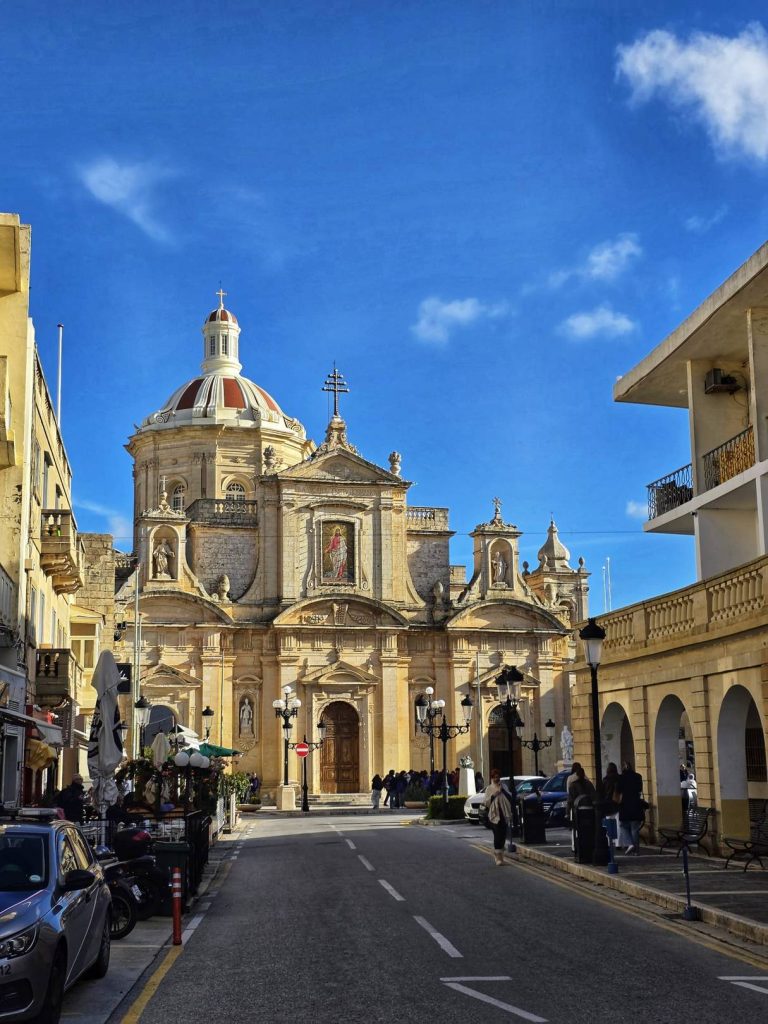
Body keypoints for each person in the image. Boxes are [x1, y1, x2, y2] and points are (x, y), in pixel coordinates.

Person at [484, 768, 515, 866]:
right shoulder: (489, 789)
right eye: (495, 777)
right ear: (492, 778)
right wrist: (494, 795)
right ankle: (497, 858)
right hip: (494, 815)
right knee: (497, 836)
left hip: (504, 814)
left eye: (498, 777)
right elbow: (486, 802)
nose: (497, 779)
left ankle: (501, 857)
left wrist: (503, 791)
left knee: (502, 836)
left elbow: (510, 797)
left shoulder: (504, 786)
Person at [616, 761, 644, 854]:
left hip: (625, 805)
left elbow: (618, 790)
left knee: (623, 826)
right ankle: (636, 851)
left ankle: (630, 844)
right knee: (634, 829)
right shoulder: (638, 776)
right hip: (636, 804)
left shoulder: (621, 778)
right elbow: (640, 789)